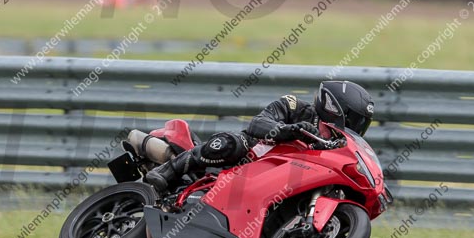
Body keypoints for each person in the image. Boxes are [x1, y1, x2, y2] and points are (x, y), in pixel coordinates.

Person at [145, 80, 374, 193]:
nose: (355, 127)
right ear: (337, 109)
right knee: (234, 143)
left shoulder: (336, 145)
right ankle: (168, 170)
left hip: (275, 182)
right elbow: (258, 124)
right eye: (354, 119)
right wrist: (290, 130)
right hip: (250, 157)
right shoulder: (295, 107)